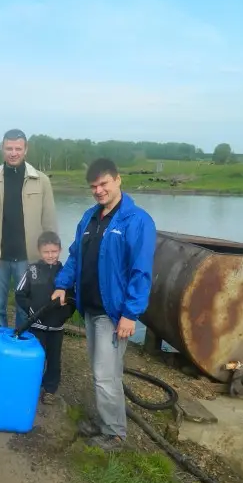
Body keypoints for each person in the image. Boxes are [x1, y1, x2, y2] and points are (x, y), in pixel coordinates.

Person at [52, 158, 156, 450]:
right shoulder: (89, 218)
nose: (98, 190)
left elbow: (141, 271)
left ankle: (115, 434)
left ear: (118, 180)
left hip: (113, 314)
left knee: (104, 375)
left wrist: (130, 314)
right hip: (91, 309)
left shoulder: (137, 221)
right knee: (104, 374)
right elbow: (75, 256)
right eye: (93, 186)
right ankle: (106, 423)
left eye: (104, 184)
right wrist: (62, 284)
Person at [0, 129, 57, 328]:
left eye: (18, 148)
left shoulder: (42, 181)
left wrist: (50, 255)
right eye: (9, 148)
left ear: (25, 150)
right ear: (2, 149)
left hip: (28, 258)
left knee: (24, 307)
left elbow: (49, 221)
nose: (13, 153)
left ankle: (20, 349)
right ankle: (0, 350)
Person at [15, 231, 75, 404]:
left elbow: (73, 300)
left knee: (54, 360)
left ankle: (50, 389)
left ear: (60, 250)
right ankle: (31, 385)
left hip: (56, 329)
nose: (50, 255)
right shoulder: (32, 271)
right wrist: (31, 310)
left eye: (54, 251)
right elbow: (20, 294)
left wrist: (64, 315)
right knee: (35, 357)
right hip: (36, 327)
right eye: (46, 252)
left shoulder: (66, 274)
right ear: (40, 252)